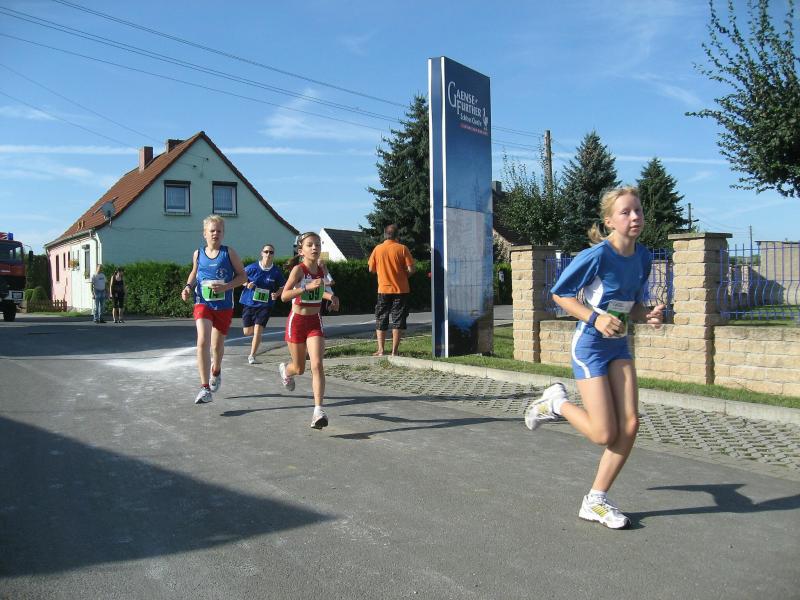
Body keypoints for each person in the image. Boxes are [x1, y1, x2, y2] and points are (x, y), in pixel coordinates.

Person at [523, 186, 665, 530]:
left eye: (638, 210)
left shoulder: (643, 257)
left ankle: (595, 500)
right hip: (589, 346)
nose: (635, 217)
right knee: (604, 434)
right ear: (609, 221)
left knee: (630, 425)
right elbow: (560, 294)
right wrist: (595, 318)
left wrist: (646, 314)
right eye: (625, 212)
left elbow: (630, 302)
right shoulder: (597, 256)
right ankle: (555, 404)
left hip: (618, 344)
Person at [181, 215, 247, 404]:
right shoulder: (198, 253)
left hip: (224, 306)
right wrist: (188, 287)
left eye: (219, 231)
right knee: (203, 340)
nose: (215, 234)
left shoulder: (229, 253)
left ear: (223, 233)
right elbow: (194, 272)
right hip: (203, 303)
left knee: (217, 347)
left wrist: (226, 287)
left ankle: (216, 370)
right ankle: (204, 388)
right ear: (205, 233)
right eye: (212, 231)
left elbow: (243, 277)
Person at [278, 232, 339, 429]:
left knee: (317, 364)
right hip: (296, 321)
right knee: (299, 368)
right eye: (310, 245)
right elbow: (284, 296)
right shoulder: (298, 270)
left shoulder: (321, 269)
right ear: (301, 250)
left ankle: (318, 411)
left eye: (317, 245)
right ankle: (286, 371)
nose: (314, 248)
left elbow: (322, 291)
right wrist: (305, 288)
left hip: (314, 322)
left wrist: (332, 298)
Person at [367, 224, 415, 356]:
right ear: (397, 235)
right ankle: (394, 351)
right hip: (401, 290)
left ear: (385, 235)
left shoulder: (378, 249)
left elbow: (371, 269)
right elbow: (411, 269)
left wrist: (382, 272)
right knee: (398, 319)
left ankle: (381, 350)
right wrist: (403, 275)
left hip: (383, 289)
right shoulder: (402, 248)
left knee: (381, 318)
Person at [240, 243, 285, 364]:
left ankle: (252, 355)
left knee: (258, 331)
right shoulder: (252, 268)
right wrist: (246, 284)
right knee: (247, 332)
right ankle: (253, 344)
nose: (268, 254)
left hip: (265, 305)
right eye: (266, 251)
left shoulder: (276, 271)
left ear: (273, 255)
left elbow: (282, 287)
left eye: (271, 252)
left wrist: (277, 294)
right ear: (262, 253)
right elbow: (240, 278)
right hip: (249, 303)